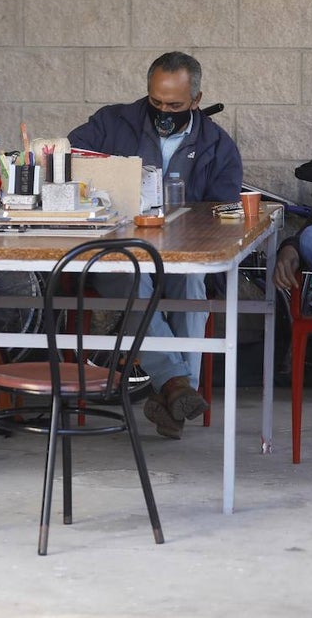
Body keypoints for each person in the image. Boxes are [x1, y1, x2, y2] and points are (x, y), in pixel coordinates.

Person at [68, 51, 243, 439]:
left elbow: (224, 216)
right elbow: (67, 161)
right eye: (157, 102)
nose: (164, 111)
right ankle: (178, 387)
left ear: (196, 100)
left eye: (175, 105)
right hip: (117, 252)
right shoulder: (112, 122)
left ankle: (173, 395)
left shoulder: (217, 145)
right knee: (131, 282)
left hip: (182, 256)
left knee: (192, 285)